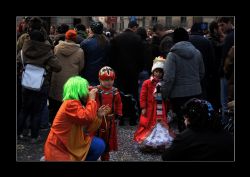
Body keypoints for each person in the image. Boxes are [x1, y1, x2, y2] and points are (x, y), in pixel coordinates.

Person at [44, 76, 109, 161]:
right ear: (79, 89)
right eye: (85, 88)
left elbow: (88, 129)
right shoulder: (70, 104)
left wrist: (99, 116)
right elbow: (87, 117)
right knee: (98, 145)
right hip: (61, 149)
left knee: (99, 145)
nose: (87, 91)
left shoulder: (76, 104)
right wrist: (92, 100)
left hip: (72, 143)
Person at [161, 27, 205, 133]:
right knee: (195, 121)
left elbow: (169, 78)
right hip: (196, 92)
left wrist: (163, 94)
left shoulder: (172, 55)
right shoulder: (197, 53)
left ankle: (185, 145)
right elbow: (202, 72)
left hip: (178, 95)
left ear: (174, 39)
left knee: (183, 123)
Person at [162, 98, 234, 161]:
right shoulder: (226, 134)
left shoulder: (186, 137)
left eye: (185, 118)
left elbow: (167, 157)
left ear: (191, 118)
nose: (185, 121)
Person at [134, 57, 175, 152]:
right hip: (150, 109)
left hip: (161, 109)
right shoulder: (147, 83)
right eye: (156, 71)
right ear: (153, 71)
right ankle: (149, 145)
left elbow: (166, 96)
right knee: (149, 125)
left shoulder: (163, 83)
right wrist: (143, 107)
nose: (158, 74)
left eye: (160, 72)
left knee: (161, 125)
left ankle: (161, 144)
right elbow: (142, 96)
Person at [49, 29, 85, 124]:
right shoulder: (80, 51)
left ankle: (54, 121)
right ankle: (67, 121)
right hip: (71, 80)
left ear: (66, 37)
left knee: (56, 103)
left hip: (57, 77)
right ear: (75, 39)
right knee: (69, 102)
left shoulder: (57, 48)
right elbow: (81, 66)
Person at [90, 66, 123, 161]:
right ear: (99, 79)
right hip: (97, 120)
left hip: (110, 122)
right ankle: (93, 156)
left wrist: (118, 113)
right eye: (106, 80)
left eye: (111, 79)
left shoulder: (115, 91)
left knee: (107, 140)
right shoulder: (95, 90)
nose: (109, 82)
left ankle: (105, 158)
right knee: (95, 138)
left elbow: (119, 103)